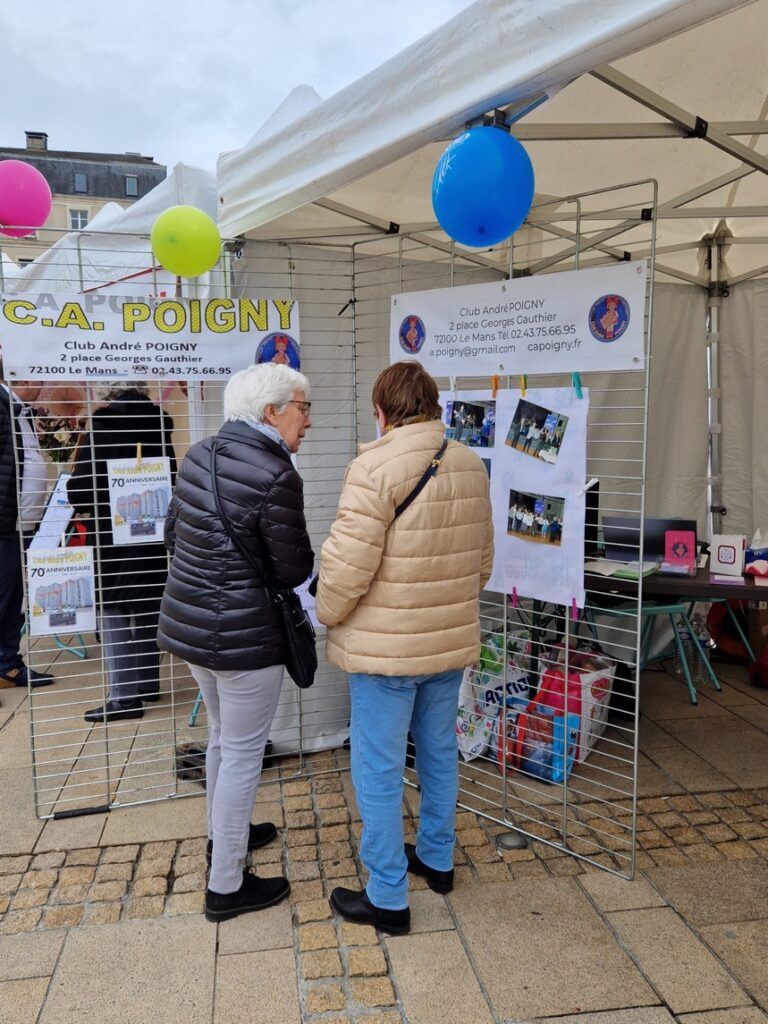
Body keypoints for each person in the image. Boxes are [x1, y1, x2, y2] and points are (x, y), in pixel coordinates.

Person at [316, 360, 493, 936]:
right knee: (439, 752)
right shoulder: (470, 464)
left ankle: (388, 893)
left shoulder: (373, 467)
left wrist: (324, 613)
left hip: (386, 651)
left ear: (382, 411)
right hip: (446, 643)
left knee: (379, 764)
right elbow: (482, 562)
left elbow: (345, 568)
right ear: (435, 404)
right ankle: (437, 861)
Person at [157, 363, 314, 923]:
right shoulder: (278, 473)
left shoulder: (201, 452)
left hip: (191, 626)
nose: (308, 421)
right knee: (243, 750)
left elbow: (174, 533)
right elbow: (294, 567)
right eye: (303, 408)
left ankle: (227, 836)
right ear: (272, 412)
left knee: (225, 736)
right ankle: (225, 884)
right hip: (246, 640)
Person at [67, 383, 176, 722]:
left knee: (111, 607)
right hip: (152, 534)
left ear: (106, 393)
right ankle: (146, 682)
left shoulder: (103, 427)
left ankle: (123, 697)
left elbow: (81, 492)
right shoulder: (160, 424)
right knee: (146, 602)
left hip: (112, 537)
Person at [0, 373, 54, 689]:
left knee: (12, 597)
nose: (43, 387)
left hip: (21, 521)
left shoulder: (20, 409)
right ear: (21, 378)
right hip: (6, 521)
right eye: (41, 380)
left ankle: (7, 664)